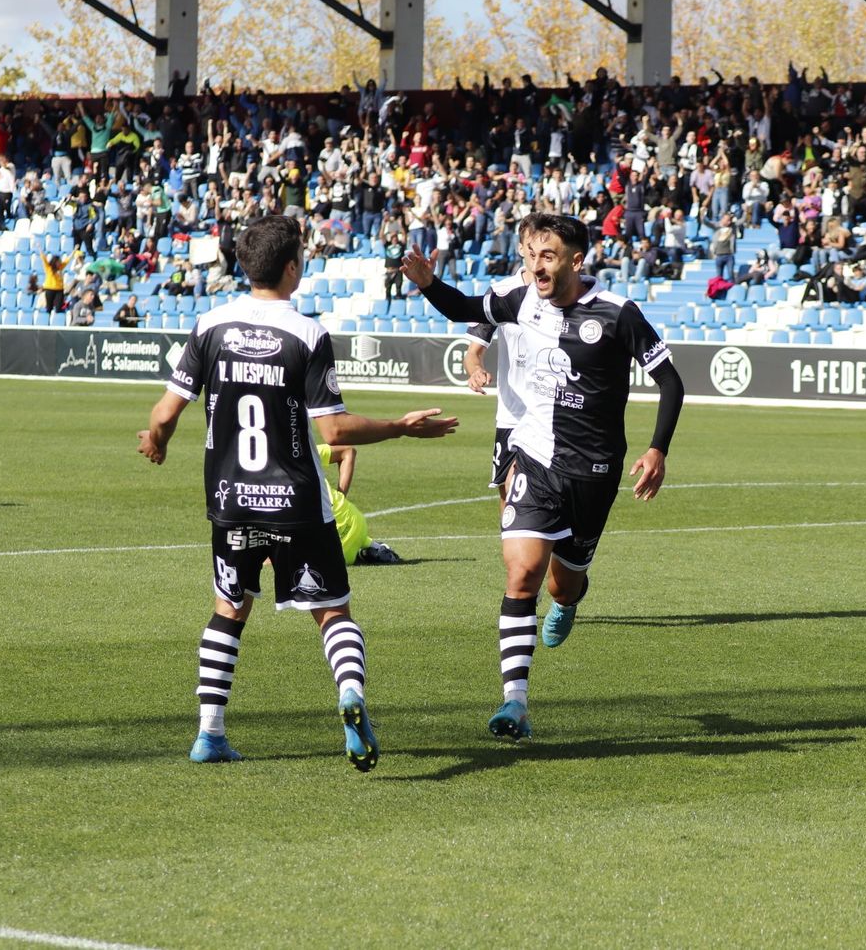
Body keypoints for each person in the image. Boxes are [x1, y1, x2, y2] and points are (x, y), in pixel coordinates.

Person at [138, 215, 456, 769]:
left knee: (229, 609)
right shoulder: (307, 334)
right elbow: (334, 432)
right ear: (292, 267)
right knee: (333, 612)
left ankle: (209, 734)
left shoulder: (210, 324)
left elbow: (165, 413)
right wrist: (400, 427)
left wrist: (159, 442)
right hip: (297, 502)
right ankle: (350, 695)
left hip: (231, 499)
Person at [401, 212, 686, 741]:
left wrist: (657, 449)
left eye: (547, 256)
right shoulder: (519, 299)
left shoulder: (618, 314)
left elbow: (671, 382)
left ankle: (570, 600)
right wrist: (427, 284)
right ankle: (515, 703)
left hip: (595, 472)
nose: (535, 267)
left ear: (576, 261)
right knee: (522, 573)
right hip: (532, 457)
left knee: (564, 581)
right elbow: (464, 308)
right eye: (530, 255)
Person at [462, 232, 534, 504]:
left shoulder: (560, 294)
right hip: (512, 415)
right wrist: (475, 371)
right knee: (508, 493)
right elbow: (472, 353)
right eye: (530, 247)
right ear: (520, 248)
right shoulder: (501, 293)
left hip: (551, 415)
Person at [316, 444, 404, 566]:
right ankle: (373, 548)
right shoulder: (307, 450)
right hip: (355, 522)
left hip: (332, 554)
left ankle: (367, 550)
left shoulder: (281, 468)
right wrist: (340, 497)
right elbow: (348, 452)